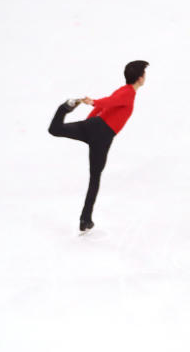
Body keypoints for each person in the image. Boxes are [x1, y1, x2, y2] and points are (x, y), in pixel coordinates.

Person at [48, 60, 148, 232]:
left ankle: (65, 107)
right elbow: (109, 102)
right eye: (144, 74)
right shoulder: (128, 93)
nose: (145, 77)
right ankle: (85, 218)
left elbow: (107, 105)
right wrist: (93, 103)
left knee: (56, 130)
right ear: (140, 78)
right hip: (101, 135)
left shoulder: (123, 91)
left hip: (94, 127)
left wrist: (88, 123)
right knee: (95, 178)